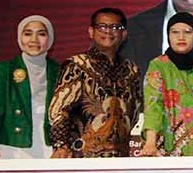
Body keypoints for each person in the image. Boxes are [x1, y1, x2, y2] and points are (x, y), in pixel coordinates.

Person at [48, 8, 141, 158]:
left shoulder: (131, 69)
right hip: (82, 155)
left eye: (115, 27)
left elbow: (134, 112)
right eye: (102, 27)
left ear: (124, 34)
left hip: (120, 157)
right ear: (91, 32)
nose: (108, 31)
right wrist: (61, 145)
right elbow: (60, 110)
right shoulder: (77, 64)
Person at [0, 15, 59, 159]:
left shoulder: (60, 70)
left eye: (41, 34)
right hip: (14, 144)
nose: (34, 40)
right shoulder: (4, 70)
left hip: (51, 144)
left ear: (50, 39)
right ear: (19, 37)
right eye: (28, 34)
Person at [140, 12, 193, 156]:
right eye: (175, 32)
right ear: (168, 36)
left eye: (188, 32)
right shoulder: (158, 65)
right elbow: (153, 106)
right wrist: (150, 142)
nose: (181, 37)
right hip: (167, 148)